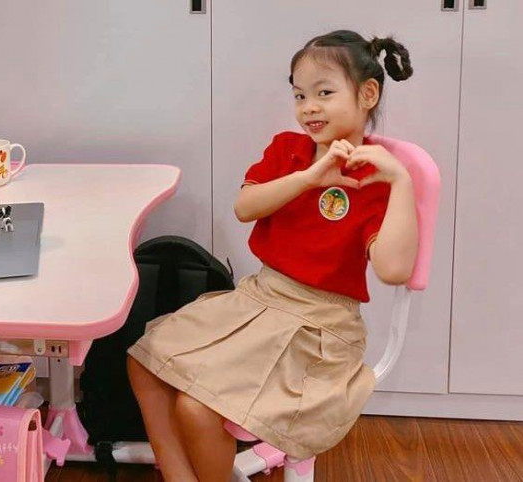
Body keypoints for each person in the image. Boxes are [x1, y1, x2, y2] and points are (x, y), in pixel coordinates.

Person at [127, 30, 418, 482]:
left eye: (324, 93)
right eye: (300, 95)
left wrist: (401, 181)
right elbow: (245, 208)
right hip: (259, 299)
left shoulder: (375, 177)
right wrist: (310, 177)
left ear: (367, 94)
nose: (309, 107)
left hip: (319, 324)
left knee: (197, 407)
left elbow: (394, 269)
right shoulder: (287, 149)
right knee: (143, 361)